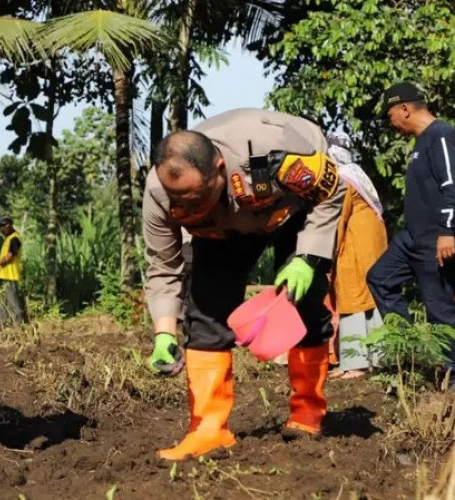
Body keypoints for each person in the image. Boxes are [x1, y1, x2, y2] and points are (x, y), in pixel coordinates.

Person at [144, 108, 346, 460]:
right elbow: (163, 264)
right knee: (205, 311)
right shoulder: (160, 193)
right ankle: (208, 429)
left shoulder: (278, 149)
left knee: (305, 303)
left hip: (294, 211)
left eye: (195, 199)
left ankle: (307, 411)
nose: (186, 207)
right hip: (225, 232)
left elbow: (331, 193)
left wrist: (307, 259)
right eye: (180, 202)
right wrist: (163, 333)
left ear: (219, 168)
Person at [367, 82, 455, 389]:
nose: (391, 121)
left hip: (436, 240)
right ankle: (409, 344)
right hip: (410, 239)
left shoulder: (441, 135)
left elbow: (454, 186)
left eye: (390, 114)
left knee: (440, 310)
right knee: (379, 277)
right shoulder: (420, 144)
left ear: (405, 109)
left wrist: (447, 231)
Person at [326, 132, 387, 379]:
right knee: (371, 300)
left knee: (351, 298)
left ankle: (355, 363)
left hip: (354, 246)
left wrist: (325, 254)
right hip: (372, 244)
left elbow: (337, 221)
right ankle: (379, 358)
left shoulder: (342, 180)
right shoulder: (356, 174)